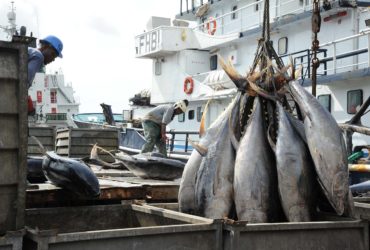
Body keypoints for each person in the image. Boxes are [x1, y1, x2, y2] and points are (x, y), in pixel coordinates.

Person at [27, 35, 63, 115]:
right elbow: (23, 82)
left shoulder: (31, 52)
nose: (53, 59)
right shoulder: (38, 56)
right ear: (47, 47)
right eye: (53, 54)